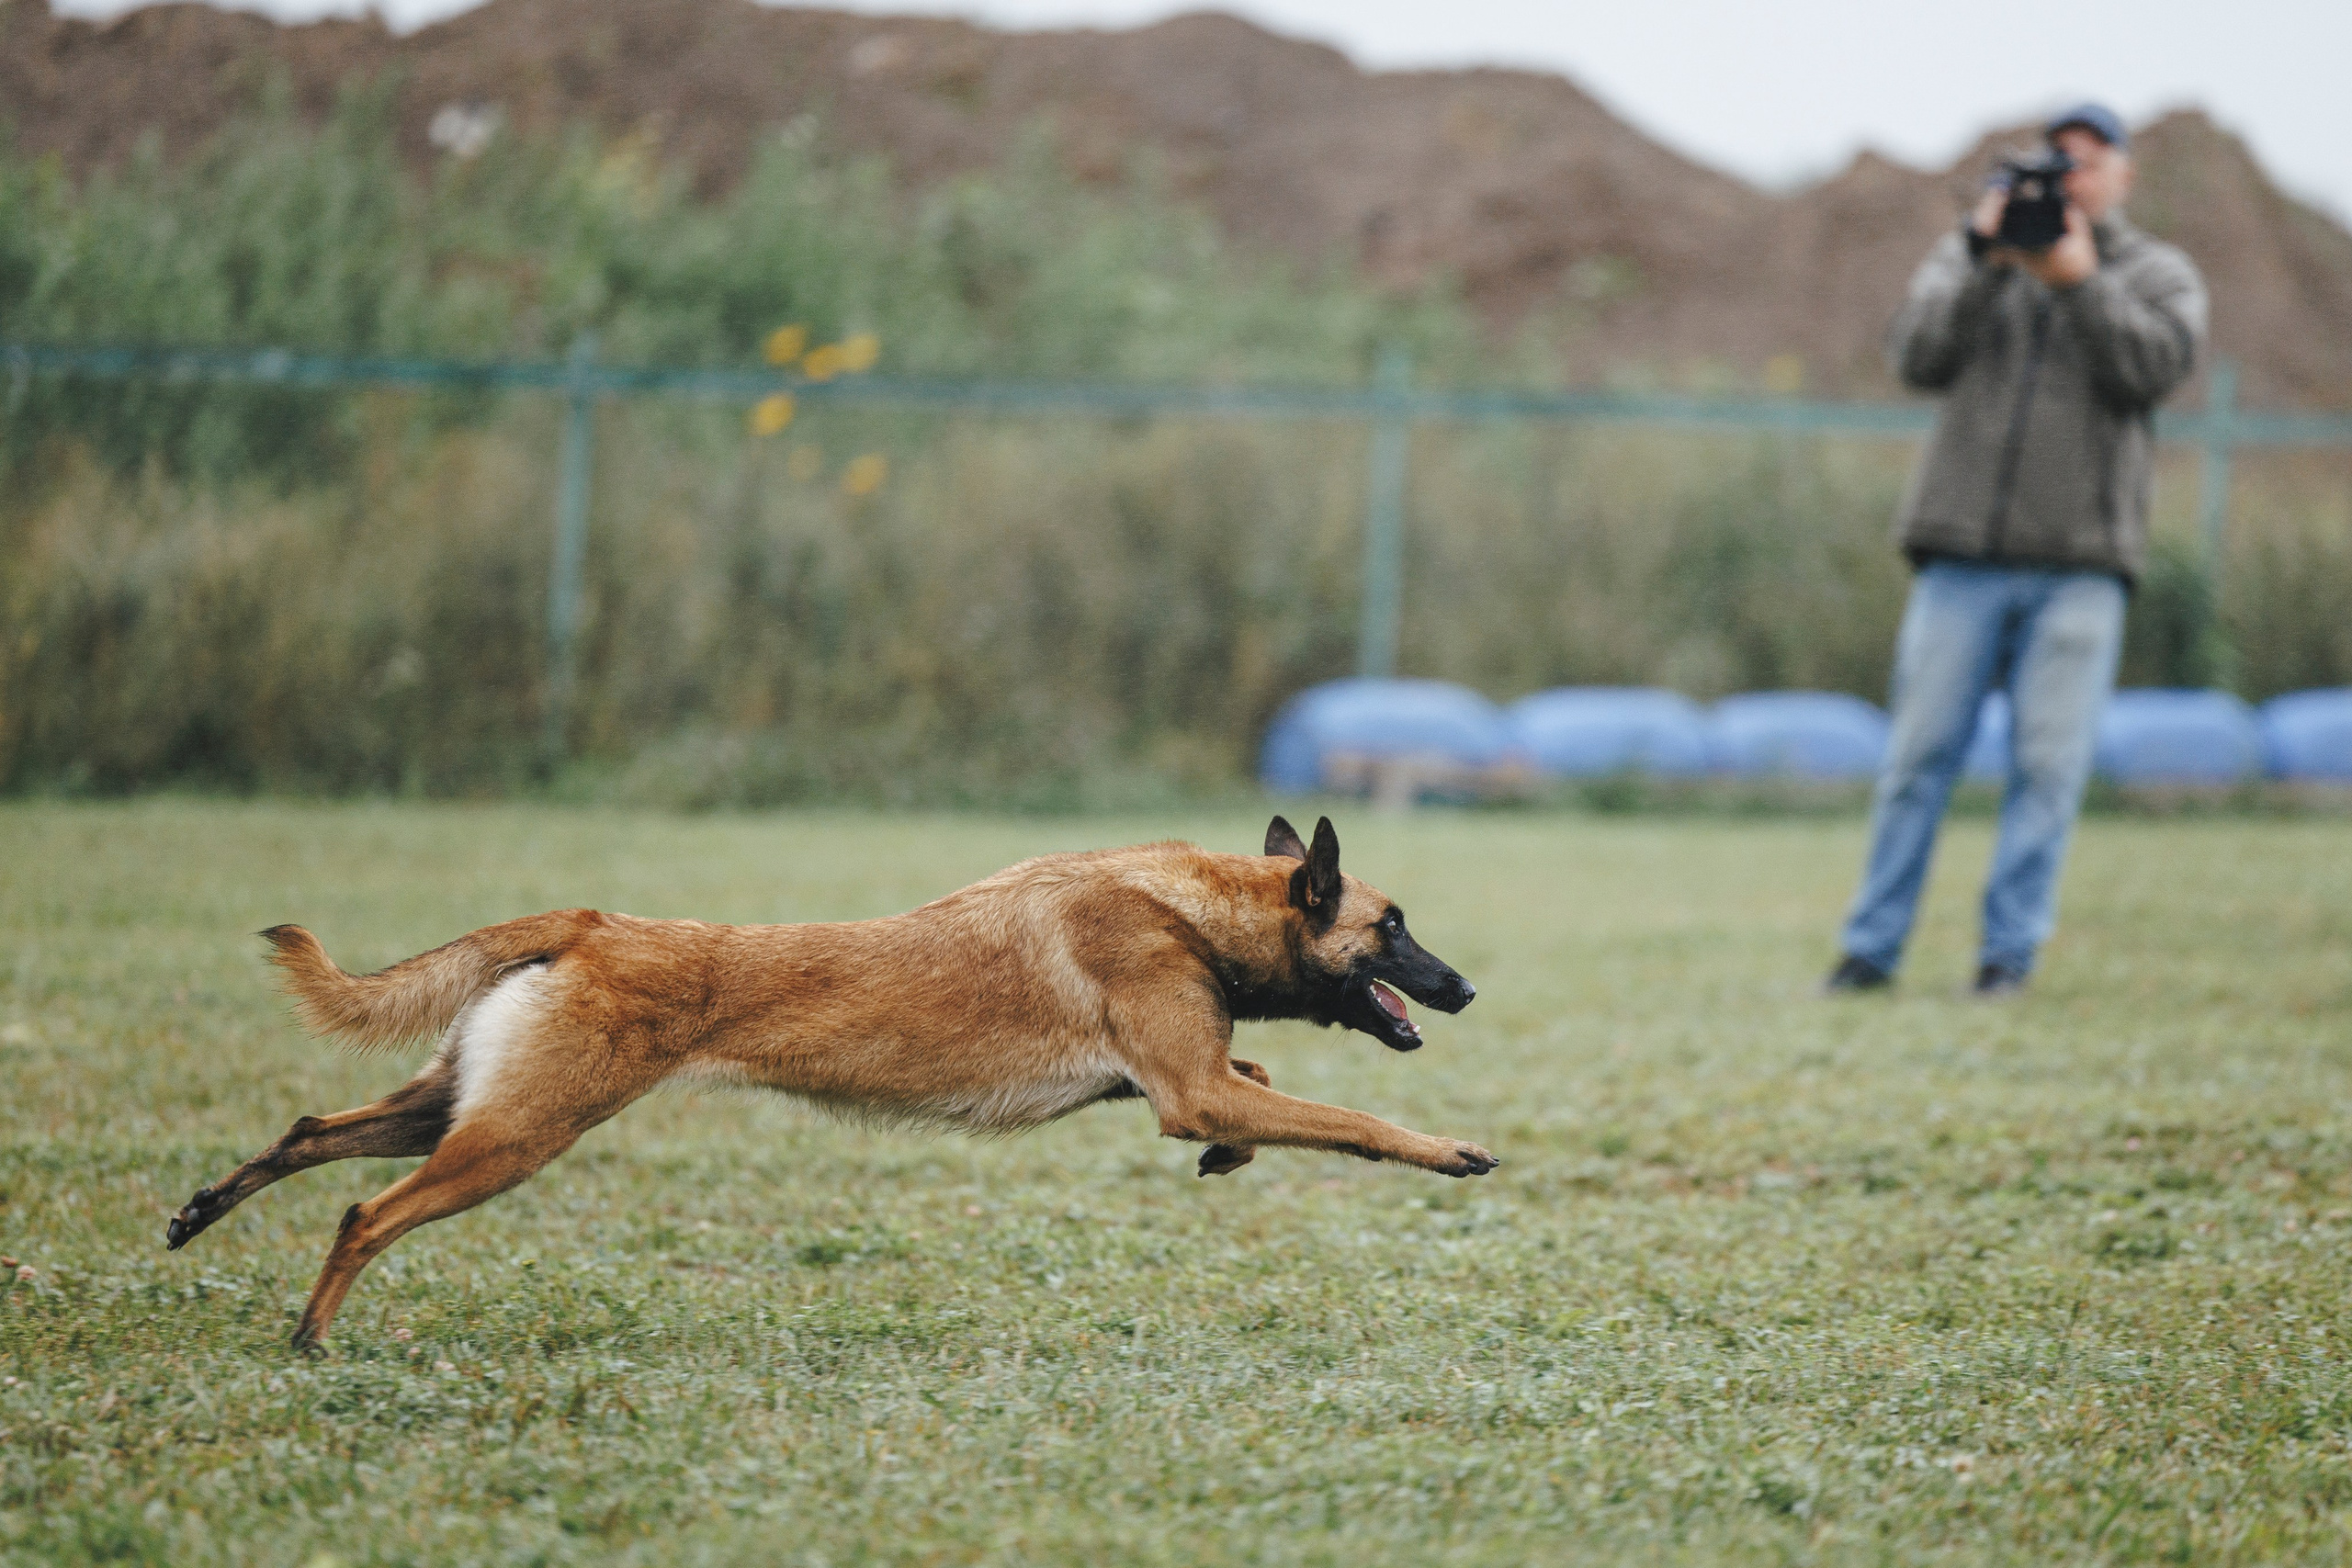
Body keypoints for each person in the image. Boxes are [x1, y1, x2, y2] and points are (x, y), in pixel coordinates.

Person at [1824, 103, 2209, 997]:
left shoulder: (2155, 270)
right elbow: (1914, 355)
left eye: (2085, 161)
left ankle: (2007, 961)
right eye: (2051, 163)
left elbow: (2155, 369)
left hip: (2081, 564)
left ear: (2121, 175)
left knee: (2047, 768)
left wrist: (2078, 280)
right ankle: (1867, 953)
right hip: (1958, 556)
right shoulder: (1973, 254)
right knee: (1915, 763)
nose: (2064, 179)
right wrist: (1980, 258)